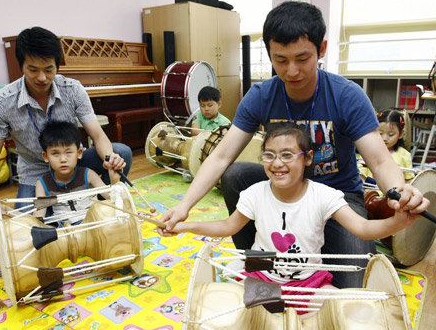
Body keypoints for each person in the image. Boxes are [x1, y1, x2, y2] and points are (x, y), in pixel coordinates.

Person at [161, 1, 429, 288]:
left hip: (336, 196)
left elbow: (379, 160)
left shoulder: (347, 96)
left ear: (321, 49)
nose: (291, 71)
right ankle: (258, 256)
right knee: (236, 174)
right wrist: (184, 207)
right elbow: (221, 156)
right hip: (282, 190)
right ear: (269, 54)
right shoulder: (261, 95)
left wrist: (397, 192)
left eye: (302, 58)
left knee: (350, 286)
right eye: (281, 60)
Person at [159, 122, 416, 312]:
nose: (277, 163)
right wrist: (186, 225)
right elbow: (228, 226)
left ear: (308, 159)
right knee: (228, 309)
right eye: (269, 155)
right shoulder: (254, 193)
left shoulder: (324, 195)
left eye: (287, 155)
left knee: (343, 310)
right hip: (263, 274)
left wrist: (396, 223)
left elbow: (361, 227)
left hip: (309, 281)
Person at [0, 26, 132, 226]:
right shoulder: (2, 101)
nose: (42, 78)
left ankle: (101, 212)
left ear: (57, 65)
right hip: (35, 173)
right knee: (30, 226)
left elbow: (97, 134)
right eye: (33, 70)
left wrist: (109, 158)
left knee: (122, 152)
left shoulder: (73, 89)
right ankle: (58, 210)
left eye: (49, 69)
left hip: (73, 163)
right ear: (21, 66)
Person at [33, 121, 120, 226]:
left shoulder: (88, 175)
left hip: (92, 224)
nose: (63, 159)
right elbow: (38, 219)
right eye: (55, 153)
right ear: (46, 156)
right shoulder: (43, 184)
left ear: (79, 153)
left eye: (68, 152)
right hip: (64, 230)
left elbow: (113, 200)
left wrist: (114, 180)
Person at [358, 109, 415, 183]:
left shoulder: (404, 155)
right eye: (380, 133)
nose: (384, 138)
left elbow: (408, 180)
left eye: (391, 134)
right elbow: (360, 176)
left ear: (401, 134)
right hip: (371, 192)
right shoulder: (367, 152)